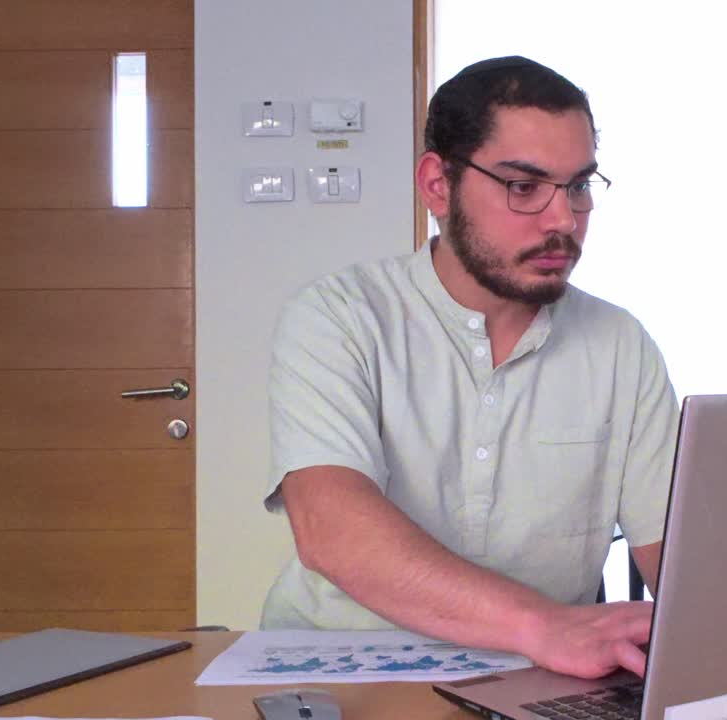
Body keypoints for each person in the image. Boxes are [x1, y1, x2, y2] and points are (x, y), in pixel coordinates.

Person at [260, 55, 680, 680]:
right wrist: (545, 625)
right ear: (437, 185)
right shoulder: (338, 319)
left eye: (579, 186)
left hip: (537, 679)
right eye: (523, 187)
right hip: (338, 672)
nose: (564, 219)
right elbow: (331, 529)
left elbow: (679, 564)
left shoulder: (620, 344)